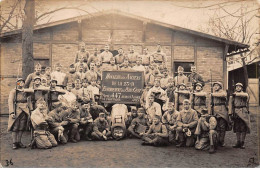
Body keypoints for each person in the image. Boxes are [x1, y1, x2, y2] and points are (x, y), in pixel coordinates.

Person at [8, 78, 34, 149]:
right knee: (15, 127)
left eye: (22, 82)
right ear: (17, 83)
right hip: (17, 109)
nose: (21, 83)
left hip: (25, 110)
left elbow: (29, 99)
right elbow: (10, 101)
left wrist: (31, 110)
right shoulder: (14, 91)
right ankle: (14, 142)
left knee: (22, 127)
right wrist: (11, 112)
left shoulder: (26, 91)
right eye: (19, 82)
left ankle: (19, 141)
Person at [230, 83, 250, 149]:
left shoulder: (244, 94)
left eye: (239, 87)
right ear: (235, 88)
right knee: (237, 127)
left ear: (242, 88)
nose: (238, 88)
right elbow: (231, 104)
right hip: (236, 111)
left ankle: (242, 142)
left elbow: (246, 96)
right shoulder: (233, 95)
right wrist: (231, 112)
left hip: (243, 111)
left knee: (243, 127)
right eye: (237, 87)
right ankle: (238, 142)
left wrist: (236, 94)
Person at [210, 81, 230, 147]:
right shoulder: (213, 93)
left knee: (222, 127)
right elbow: (211, 103)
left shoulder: (222, 92)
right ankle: (217, 140)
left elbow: (223, 95)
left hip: (222, 111)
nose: (215, 87)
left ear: (220, 87)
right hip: (215, 111)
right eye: (214, 86)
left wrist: (212, 94)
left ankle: (222, 141)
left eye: (217, 85)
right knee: (216, 127)